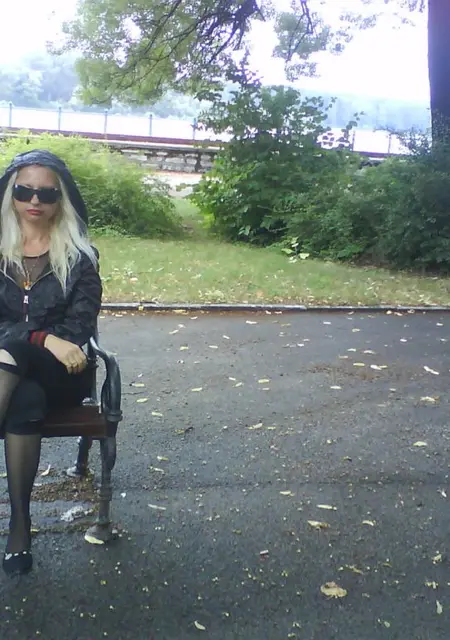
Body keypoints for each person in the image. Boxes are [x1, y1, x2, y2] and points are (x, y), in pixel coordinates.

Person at [0, 149, 102, 577]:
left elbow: (80, 328)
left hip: (65, 372)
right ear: (10, 195)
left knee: (15, 352)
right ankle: (20, 527)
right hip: (11, 376)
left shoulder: (81, 257)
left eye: (46, 193)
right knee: (23, 400)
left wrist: (41, 343)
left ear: (62, 200)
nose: (34, 200)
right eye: (24, 191)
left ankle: (20, 527)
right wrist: (41, 337)